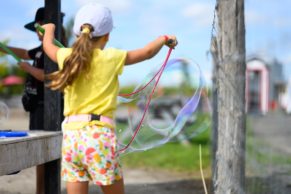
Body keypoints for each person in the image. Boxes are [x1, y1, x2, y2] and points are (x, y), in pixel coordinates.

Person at [42, 3, 177, 194]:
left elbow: (48, 46)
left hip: (72, 137)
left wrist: (49, 30)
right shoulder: (111, 57)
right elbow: (146, 52)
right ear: (107, 36)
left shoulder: (66, 55)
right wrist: (164, 38)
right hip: (99, 137)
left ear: (78, 34)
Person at [0, 7, 66, 194]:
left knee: (50, 153)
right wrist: (4, 48)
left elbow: (51, 76)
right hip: (36, 107)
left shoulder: (58, 50)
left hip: (49, 108)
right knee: (40, 155)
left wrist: (28, 69)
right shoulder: (39, 50)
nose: (37, 32)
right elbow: (23, 53)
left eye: (39, 27)